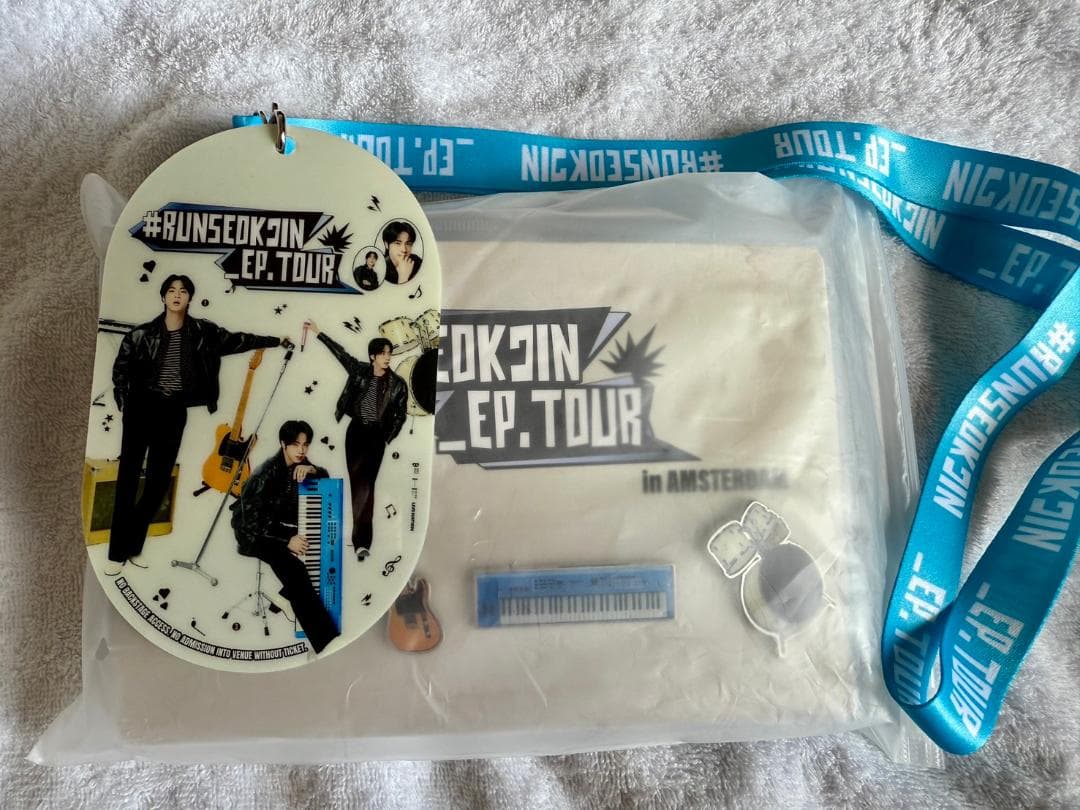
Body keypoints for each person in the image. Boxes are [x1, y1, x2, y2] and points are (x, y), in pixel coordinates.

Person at [105, 274, 286, 575]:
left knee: (158, 483)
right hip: (140, 408)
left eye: (183, 291)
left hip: (174, 411)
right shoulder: (140, 335)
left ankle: (132, 547)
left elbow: (238, 340)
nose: (177, 295)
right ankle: (116, 555)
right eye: (171, 290)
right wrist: (126, 405)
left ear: (189, 298)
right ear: (163, 297)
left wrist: (274, 341)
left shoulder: (202, 332)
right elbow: (120, 370)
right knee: (128, 480)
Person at [230, 420, 341, 654]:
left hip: (274, 526)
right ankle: (326, 642)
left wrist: (312, 470)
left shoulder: (299, 464)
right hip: (252, 533)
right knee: (296, 571)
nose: (301, 450)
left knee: (319, 546)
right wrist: (286, 540)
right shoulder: (265, 474)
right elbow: (249, 522)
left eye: (305, 445)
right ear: (283, 444)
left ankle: (283, 597)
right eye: (295, 445)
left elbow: (325, 477)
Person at [303, 320, 407, 561]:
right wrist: (319, 332)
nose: (387, 358)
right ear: (372, 357)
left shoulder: (398, 385)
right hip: (356, 433)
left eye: (389, 354)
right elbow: (340, 353)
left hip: (377, 436)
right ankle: (360, 542)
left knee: (367, 485)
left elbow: (400, 415)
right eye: (383, 354)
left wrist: (387, 437)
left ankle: (362, 542)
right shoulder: (359, 371)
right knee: (357, 484)